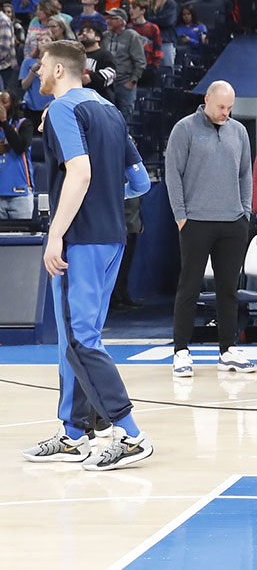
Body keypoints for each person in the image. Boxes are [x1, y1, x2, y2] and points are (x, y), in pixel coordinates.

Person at [20, 40, 154, 470]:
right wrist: (103, 201)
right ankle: (74, 433)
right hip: (113, 237)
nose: (37, 73)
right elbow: (139, 182)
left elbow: (80, 171)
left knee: (78, 338)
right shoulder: (109, 111)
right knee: (77, 339)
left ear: (60, 70)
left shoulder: (62, 110)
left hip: (79, 238)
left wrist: (55, 234)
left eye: (42, 66)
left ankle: (131, 434)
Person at [164, 81, 257, 378]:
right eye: (220, 107)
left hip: (233, 222)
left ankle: (227, 350)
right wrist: (181, 215)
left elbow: (246, 173)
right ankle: (181, 351)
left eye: (230, 108)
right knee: (189, 286)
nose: (225, 113)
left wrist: (246, 211)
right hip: (195, 221)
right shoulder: (184, 128)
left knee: (228, 289)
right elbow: (172, 174)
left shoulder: (239, 131)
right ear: (207, 100)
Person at [100, 9, 145, 125]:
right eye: (107, 18)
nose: (108, 21)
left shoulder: (132, 36)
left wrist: (132, 81)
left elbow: (140, 61)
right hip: (107, 83)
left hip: (124, 83)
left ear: (122, 21)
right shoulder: (104, 36)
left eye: (112, 18)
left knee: (125, 119)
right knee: (106, 118)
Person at [0, 94, 34, 219]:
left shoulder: (24, 124)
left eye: (4, 102)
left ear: (13, 104)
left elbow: (20, 147)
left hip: (20, 195)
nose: (0, 106)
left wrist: (4, 122)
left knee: (23, 237)